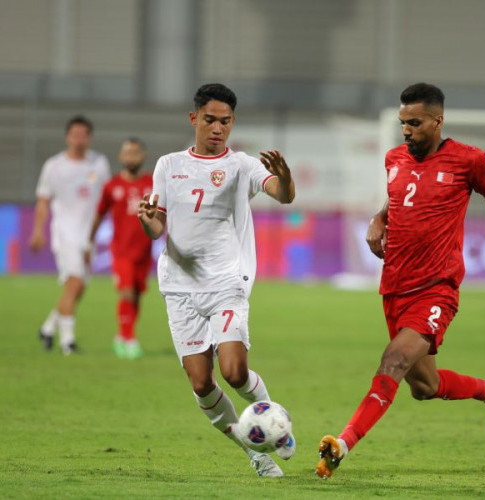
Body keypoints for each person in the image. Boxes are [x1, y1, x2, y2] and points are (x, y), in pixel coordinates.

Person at [315, 83, 485, 479]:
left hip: (437, 287)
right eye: (402, 123)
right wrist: (379, 218)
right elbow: (396, 200)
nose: (406, 131)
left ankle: (341, 445)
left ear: (437, 120)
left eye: (414, 123)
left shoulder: (468, 160)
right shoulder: (394, 158)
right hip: (394, 285)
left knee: (393, 360)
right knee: (424, 386)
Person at [137, 83, 296, 477]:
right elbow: (157, 226)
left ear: (232, 123)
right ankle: (255, 453)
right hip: (179, 286)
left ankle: (275, 425)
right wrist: (148, 220)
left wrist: (285, 177)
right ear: (194, 119)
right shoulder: (168, 165)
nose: (217, 128)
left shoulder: (242, 165)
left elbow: (283, 195)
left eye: (225, 122)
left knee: (234, 372)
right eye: (210, 120)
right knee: (201, 384)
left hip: (226, 282)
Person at [30, 115, 111, 355]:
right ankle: (68, 341)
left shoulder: (99, 163)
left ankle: (48, 327)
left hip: (89, 235)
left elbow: (105, 199)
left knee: (79, 287)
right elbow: (43, 201)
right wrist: (37, 230)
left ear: (89, 137)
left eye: (83, 135)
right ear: (67, 137)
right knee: (74, 282)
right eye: (74, 134)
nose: (79, 139)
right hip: (64, 232)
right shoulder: (54, 166)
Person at [87, 138, 153, 359]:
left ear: (143, 156)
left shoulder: (152, 183)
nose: (131, 157)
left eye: (135, 152)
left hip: (144, 251)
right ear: (120, 157)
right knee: (125, 292)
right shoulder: (112, 186)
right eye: (127, 152)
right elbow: (99, 214)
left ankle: (121, 337)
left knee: (135, 295)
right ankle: (130, 338)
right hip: (121, 251)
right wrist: (90, 241)